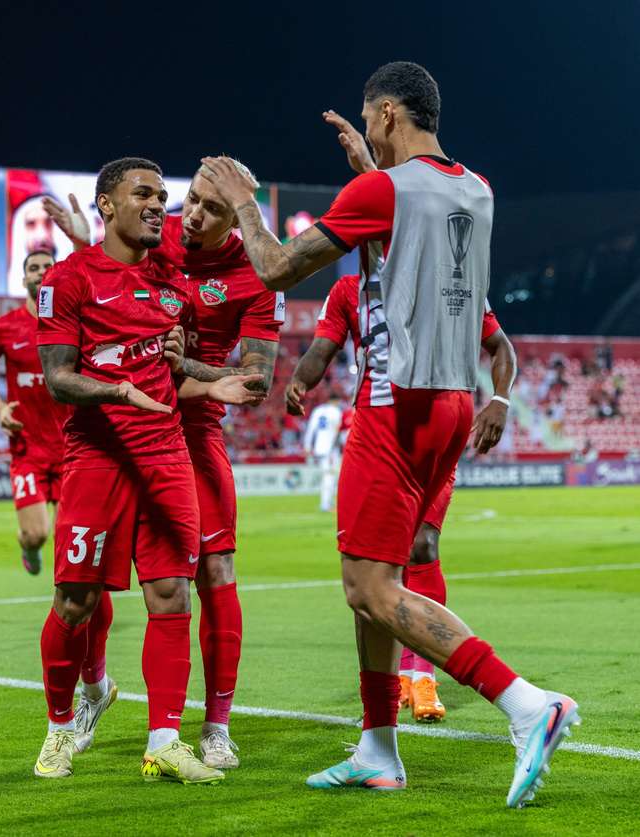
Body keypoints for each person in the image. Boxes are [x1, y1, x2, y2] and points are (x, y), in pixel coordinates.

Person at [199, 62, 578, 807]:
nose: (368, 128)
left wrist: (245, 204)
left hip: (393, 407)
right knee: (375, 586)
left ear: (386, 113)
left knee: (368, 588)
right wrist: (373, 169)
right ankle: (378, 748)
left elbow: (275, 267)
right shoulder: (475, 188)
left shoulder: (382, 192)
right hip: (452, 405)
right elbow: (409, 217)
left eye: (372, 118)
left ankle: (528, 703)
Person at [43, 161, 283, 769]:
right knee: (81, 589)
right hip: (112, 432)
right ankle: (92, 688)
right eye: (190, 201)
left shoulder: (258, 271)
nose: (190, 216)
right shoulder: (164, 238)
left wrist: (193, 368)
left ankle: (213, 728)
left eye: (211, 208)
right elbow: (109, 278)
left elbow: (256, 380)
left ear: (238, 218)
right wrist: (83, 242)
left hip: (190, 430)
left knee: (211, 572)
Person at [287, 273, 517, 722]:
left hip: (437, 426)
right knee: (377, 570)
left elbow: (501, 346)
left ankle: (424, 678)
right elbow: (322, 347)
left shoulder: (451, 279)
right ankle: (389, 691)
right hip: (381, 432)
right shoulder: (347, 291)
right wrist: (299, 381)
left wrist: (501, 401)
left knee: (423, 545)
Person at [0, 250, 69, 575]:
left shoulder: (76, 323)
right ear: (23, 278)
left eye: (48, 267)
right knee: (37, 533)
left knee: (71, 541)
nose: (41, 273)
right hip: (28, 450)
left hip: (74, 449)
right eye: (34, 268)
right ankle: (27, 546)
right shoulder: (4, 327)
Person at [302, 393, 343, 512]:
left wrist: (307, 446)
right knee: (330, 476)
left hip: (319, 447)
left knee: (328, 475)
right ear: (335, 401)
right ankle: (326, 504)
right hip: (330, 448)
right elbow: (338, 430)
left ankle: (328, 503)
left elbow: (311, 429)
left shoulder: (318, 410)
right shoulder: (336, 411)